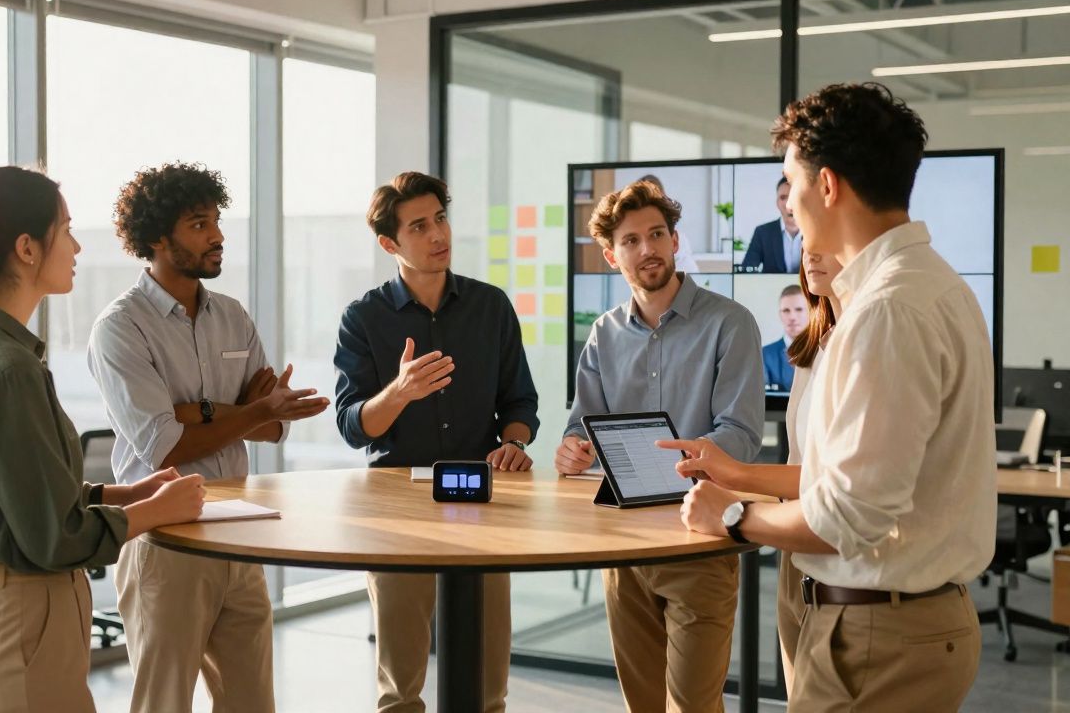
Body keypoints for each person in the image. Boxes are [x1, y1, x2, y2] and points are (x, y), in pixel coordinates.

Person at [673, 82, 995, 711]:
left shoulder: (888, 311)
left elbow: (846, 516)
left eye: (791, 183)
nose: (788, 205)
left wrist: (732, 517)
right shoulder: (928, 287)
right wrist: (741, 476)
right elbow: (857, 478)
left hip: (876, 636)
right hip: (891, 627)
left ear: (828, 186)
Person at [0, 166, 207, 713]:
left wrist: (115, 496)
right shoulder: (6, 368)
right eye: (65, 228)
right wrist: (155, 513)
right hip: (15, 633)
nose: (78, 244)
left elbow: (21, 493)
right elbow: (53, 536)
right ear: (27, 248)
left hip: (18, 630)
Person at [87, 162, 330, 713]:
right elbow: (165, 447)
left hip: (239, 536)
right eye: (199, 224)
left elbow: (273, 426)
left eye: (217, 221)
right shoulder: (120, 328)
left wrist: (222, 413)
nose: (218, 236)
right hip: (164, 540)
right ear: (155, 238)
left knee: (252, 703)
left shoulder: (233, 316)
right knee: (163, 703)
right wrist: (246, 409)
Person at [554, 178, 764, 712]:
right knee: (643, 704)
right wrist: (572, 449)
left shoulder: (730, 323)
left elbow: (739, 434)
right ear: (610, 255)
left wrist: (651, 462)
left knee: (693, 706)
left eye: (656, 234)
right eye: (630, 240)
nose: (646, 249)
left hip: (700, 539)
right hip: (623, 547)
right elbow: (584, 425)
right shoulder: (602, 333)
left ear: (674, 240)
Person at [334, 171, 539, 713]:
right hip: (396, 505)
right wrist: (398, 393)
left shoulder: (491, 306)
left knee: (488, 679)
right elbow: (353, 425)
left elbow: (520, 403)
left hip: (481, 496)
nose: (437, 234)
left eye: (441, 218)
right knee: (400, 686)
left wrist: (515, 443)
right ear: (389, 244)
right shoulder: (362, 318)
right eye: (419, 226)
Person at [665, 250, 841, 696]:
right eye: (806, 247)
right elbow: (809, 471)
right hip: (796, 550)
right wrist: (736, 474)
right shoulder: (812, 349)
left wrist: (736, 511)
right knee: (800, 695)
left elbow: (847, 491)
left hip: (842, 564)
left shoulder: (868, 344)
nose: (812, 255)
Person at [740, 177, 801, 273]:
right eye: (783, 197)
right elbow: (747, 270)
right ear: (777, 203)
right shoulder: (762, 232)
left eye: (794, 196)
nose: (788, 204)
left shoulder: (816, 232)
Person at [761, 284, 808, 393]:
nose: (792, 317)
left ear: (810, 312)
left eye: (799, 309)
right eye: (786, 311)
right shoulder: (764, 354)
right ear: (780, 315)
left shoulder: (825, 351)